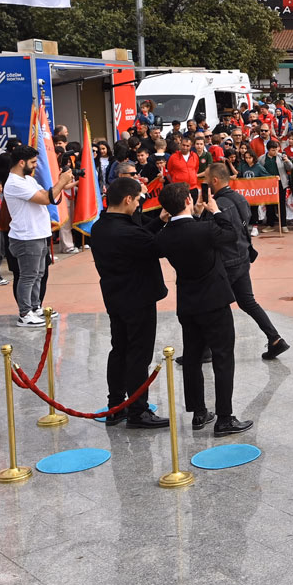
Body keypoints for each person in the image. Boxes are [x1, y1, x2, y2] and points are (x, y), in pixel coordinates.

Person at [152, 181, 251, 436]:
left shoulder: (164, 236)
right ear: (188, 201)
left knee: (193, 358)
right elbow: (230, 233)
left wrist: (167, 218)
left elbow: (157, 240)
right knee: (222, 356)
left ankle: (198, 412)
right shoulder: (205, 229)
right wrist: (215, 210)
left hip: (188, 302)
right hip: (215, 301)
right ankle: (225, 417)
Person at [88, 176, 170, 429]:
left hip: (115, 298)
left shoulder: (100, 227)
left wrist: (160, 220)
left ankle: (115, 405)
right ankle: (138, 410)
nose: (138, 205)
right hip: (139, 299)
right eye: (136, 200)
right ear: (127, 199)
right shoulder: (127, 232)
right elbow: (158, 246)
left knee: (119, 350)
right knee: (138, 355)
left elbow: (141, 234)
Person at [207, 162, 288, 360]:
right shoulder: (240, 198)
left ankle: (207, 350)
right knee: (247, 301)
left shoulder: (220, 204)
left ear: (215, 180)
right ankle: (275, 339)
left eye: (207, 179)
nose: (205, 182)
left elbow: (216, 233)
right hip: (242, 256)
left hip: (227, 261)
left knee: (211, 305)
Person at [3, 145, 74, 328]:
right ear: (21, 162)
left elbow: (44, 193)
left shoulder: (27, 179)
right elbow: (45, 199)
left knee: (39, 274)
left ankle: (35, 307)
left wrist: (62, 183)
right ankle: (25, 313)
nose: (35, 165)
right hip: (27, 237)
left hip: (38, 234)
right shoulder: (14, 183)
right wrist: (61, 182)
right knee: (28, 276)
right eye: (33, 162)